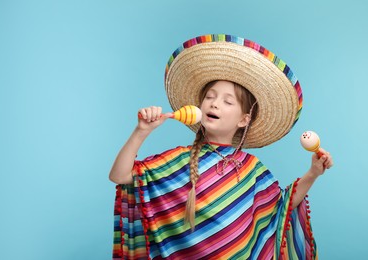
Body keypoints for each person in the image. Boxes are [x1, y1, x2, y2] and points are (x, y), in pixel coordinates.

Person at [109, 34, 333, 260]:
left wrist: (313, 173)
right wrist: (141, 131)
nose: (214, 103)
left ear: (244, 119)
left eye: (227, 101)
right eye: (209, 97)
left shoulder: (251, 169)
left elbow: (282, 207)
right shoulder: (179, 161)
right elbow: (120, 175)